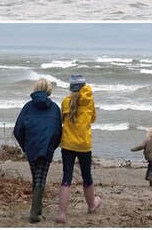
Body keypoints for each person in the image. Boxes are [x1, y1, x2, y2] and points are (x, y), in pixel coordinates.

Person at [13, 79, 62, 223]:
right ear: (49, 90)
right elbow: (59, 131)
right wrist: (52, 146)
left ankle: (37, 209)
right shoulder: (54, 108)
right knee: (40, 177)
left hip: (31, 146)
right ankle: (34, 212)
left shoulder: (27, 107)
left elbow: (17, 130)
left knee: (36, 176)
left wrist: (25, 146)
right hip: (46, 147)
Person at [56, 74, 102, 223]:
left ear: (71, 88)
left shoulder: (65, 101)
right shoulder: (89, 101)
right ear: (83, 86)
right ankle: (91, 205)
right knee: (86, 175)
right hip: (84, 144)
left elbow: (62, 120)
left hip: (68, 143)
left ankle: (62, 213)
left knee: (67, 176)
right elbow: (93, 119)